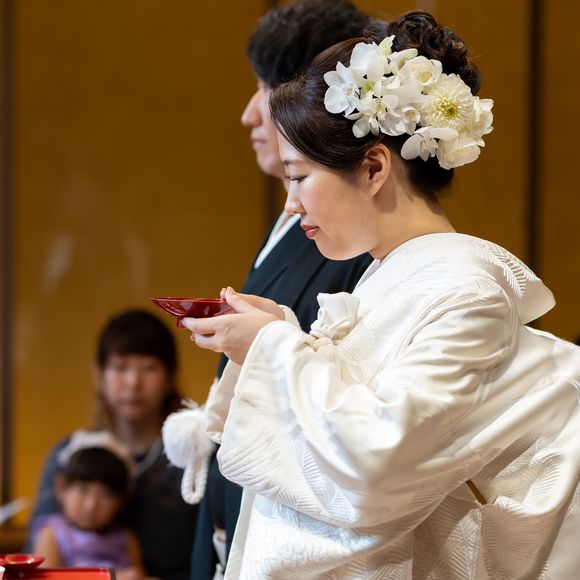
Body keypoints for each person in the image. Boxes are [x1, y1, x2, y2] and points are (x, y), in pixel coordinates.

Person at [181, 10, 580, 579]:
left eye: (299, 177)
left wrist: (273, 347)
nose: (290, 204)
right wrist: (283, 339)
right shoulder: (389, 277)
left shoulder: (468, 293)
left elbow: (379, 462)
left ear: (373, 168)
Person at [184, 2, 374, 578]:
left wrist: (270, 341)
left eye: (265, 90)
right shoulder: (298, 220)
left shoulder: (353, 239)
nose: (250, 114)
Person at [28, 310, 197, 580]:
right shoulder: (69, 456)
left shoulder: (192, 456)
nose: (133, 382)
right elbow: (38, 561)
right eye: (120, 367)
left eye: (148, 367)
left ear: (170, 377)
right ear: (99, 375)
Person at [34, 431, 145, 579]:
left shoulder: (126, 539)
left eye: (106, 495)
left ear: (120, 502)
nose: (91, 505)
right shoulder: (52, 534)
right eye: (83, 489)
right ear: (61, 488)